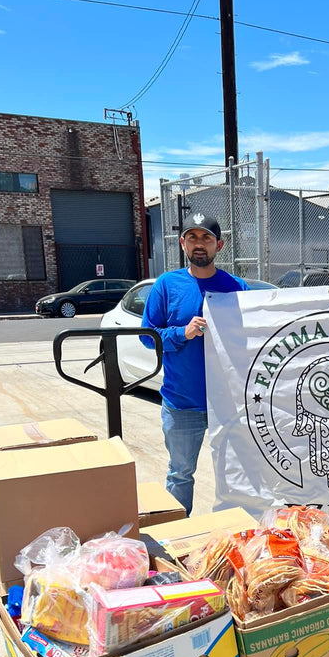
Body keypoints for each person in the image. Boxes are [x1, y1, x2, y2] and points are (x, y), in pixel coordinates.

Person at [141, 212, 249, 516]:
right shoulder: (166, 285)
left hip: (227, 405)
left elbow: (250, 339)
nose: (199, 244)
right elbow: (147, 337)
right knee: (180, 475)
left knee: (234, 478)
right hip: (181, 403)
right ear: (182, 243)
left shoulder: (237, 286)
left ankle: (230, 538)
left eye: (206, 238)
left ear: (220, 244)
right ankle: (179, 536)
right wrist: (182, 333)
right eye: (192, 237)